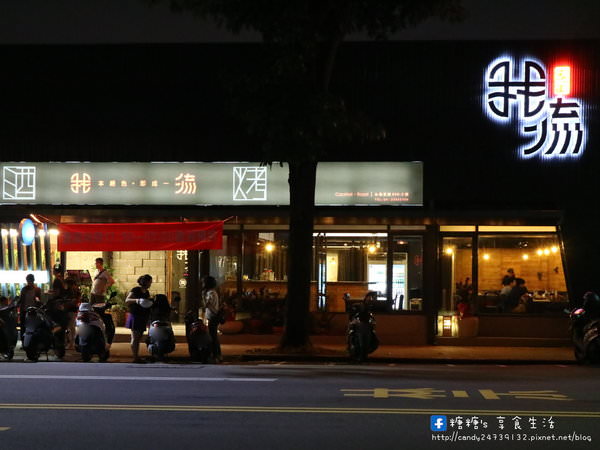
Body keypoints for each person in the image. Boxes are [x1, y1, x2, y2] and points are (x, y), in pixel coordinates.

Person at [125, 274, 153, 363]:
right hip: (135, 315)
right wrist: (137, 300)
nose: (150, 284)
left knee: (139, 336)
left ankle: (136, 356)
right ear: (145, 282)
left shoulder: (147, 292)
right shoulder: (136, 290)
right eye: (150, 282)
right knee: (135, 337)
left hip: (142, 316)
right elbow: (127, 300)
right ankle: (135, 357)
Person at [202, 276, 222, 363]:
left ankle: (216, 355)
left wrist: (203, 296)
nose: (202, 284)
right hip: (213, 316)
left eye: (203, 283)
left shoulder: (211, 293)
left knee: (213, 337)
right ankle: (218, 355)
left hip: (213, 317)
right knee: (214, 337)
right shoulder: (213, 292)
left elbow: (206, 304)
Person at [18, 274, 42, 340]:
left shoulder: (37, 289)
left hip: (33, 311)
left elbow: (38, 299)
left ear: (33, 280)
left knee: (33, 327)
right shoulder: (24, 289)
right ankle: (24, 342)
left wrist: (39, 303)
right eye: (28, 280)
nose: (29, 282)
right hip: (25, 310)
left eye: (30, 280)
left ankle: (32, 341)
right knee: (23, 327)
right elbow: (21, 300)